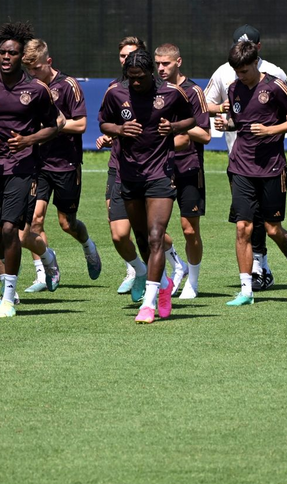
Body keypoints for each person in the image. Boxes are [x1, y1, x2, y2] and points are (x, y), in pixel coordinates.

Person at [0, 22, 62, 318]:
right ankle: (46, 259)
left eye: (12, 53)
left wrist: (28, 140)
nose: (6, 57)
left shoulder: (36, 89)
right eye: (2, 52)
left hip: (23, 168)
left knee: (11, 231)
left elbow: (53, 126)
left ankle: (8, 297)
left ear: (21, 57)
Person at [98, 50, 195, 323]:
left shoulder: (172, 93)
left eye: (140, 78)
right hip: (129, 175)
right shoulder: (116, 93)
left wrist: (173, 126)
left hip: (161, 174)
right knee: (140, 236)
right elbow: (103, 121)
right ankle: (163, 284)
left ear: (150, 73)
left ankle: (150, 303)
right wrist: (118, 130)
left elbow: (192, 120)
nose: (135, 83)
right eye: (131, 78)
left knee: (155, 236)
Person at [214, 40, 287, 308]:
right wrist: (225, 122)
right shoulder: (233, 88)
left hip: (272, 168)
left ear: (256, 62)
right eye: (237, 71)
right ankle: (246, 290)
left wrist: (271, 130)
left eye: (244, 71)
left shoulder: (276, 86)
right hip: (240, 167)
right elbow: (238, 121)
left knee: (274, 230)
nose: (240, 76)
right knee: (243, 227)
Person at [206, 24, 285, 291]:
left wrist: (274, 130)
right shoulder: (223, 73)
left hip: (268, 161)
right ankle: (254, 272)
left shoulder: (275, 74)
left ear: (257, 48)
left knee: (266, 221)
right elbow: (206, 104)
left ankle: (265, 266)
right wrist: (221, 110)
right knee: (245, 221)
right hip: (237, 159)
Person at [22, 38, 102, 291]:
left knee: (67, 224)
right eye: (29, 70)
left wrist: (53, 125)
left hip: (66, 163)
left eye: (36, 68)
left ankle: (88, 245)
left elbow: (81, 125)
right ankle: (44, 273)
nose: (32, 74)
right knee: (34, 220)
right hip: (38, 163)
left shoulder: (68, 86)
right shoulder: (28, 87)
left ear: (49, 61)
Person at [155, 42, 211, 299]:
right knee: (153, 228)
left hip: (189, 168)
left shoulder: (193, 91)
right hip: (159, 170)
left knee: (190, 230)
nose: (160, 68)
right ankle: (177, 265)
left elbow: (205, 135)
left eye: (165, 63)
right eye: (157, 64)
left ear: (178, 62)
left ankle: (194, 282)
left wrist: (176, 126)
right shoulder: (155, 92)